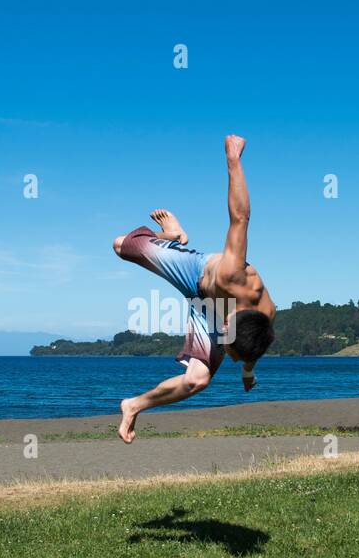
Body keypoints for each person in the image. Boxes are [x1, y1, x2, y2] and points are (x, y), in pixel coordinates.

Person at [112, 134, 276, 443]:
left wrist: (247, 373)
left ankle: (133, 406)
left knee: (197, 381)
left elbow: (254, 347)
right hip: (195, 274)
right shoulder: (233, 275)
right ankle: (173, 234)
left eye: (227, 349)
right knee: (119, 245)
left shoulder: (261, 322)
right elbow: (240, 218)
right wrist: (233, 161)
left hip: (212, 309)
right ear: (228, 326)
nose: (224, 351)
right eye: (228, 349)